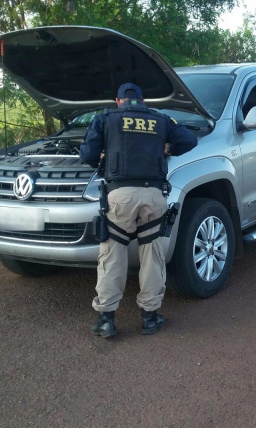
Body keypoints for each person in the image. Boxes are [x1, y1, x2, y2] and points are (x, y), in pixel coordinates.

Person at [79, 82, 197, 338]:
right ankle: (150, 318)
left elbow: (87, 153)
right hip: (154, 197)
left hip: (120, 197)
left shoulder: (105, 119)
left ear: (118, 101)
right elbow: (190, 139)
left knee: (112, 256)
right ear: (143, 100)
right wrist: (169, 149)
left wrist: (103, 159)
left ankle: (106, 320)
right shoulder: (161, 119)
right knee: (152, 255)